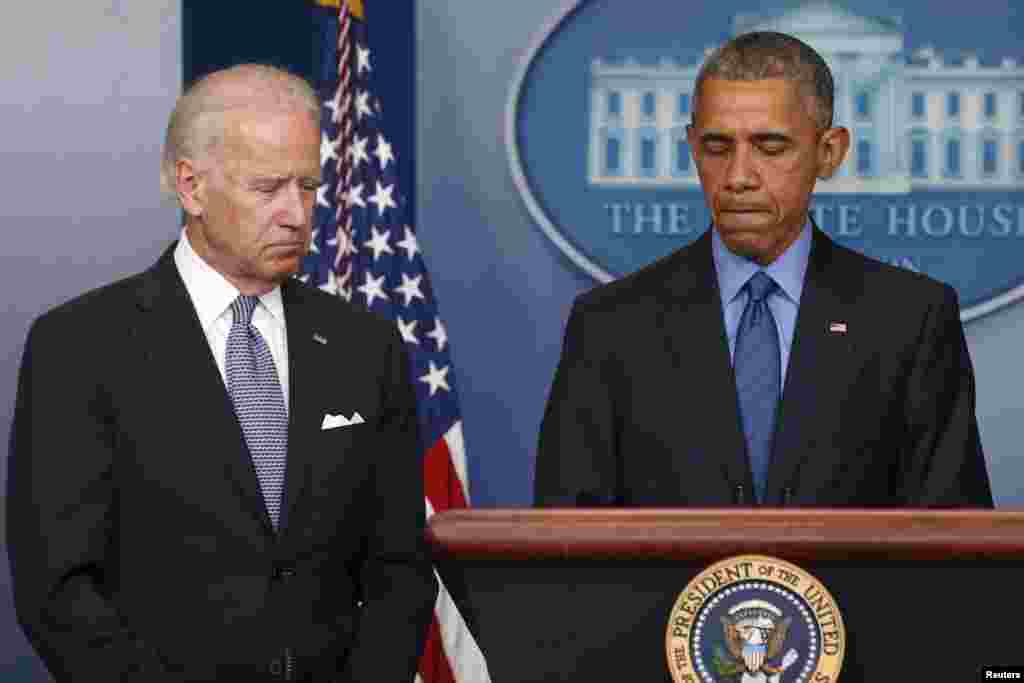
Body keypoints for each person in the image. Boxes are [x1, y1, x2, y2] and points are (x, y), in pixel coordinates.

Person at [7, 64, 437, 681]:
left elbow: (399, 568)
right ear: (191, 186)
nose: (296, 213)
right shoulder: (80, 347)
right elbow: (59, 587)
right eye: (268, 188)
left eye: (309, 186)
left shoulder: (364, 346)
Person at [535, 32, 993, 508]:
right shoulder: (610, 326)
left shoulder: (909, 321)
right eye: (717, 147)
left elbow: (954, 544)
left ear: (829, 152)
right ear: (692, 147)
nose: (738, 177)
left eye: (770, 146)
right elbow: (564, 547)